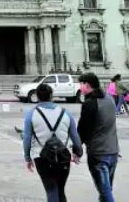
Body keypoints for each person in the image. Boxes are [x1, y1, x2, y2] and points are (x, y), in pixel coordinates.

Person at [23, 84, 83, 202]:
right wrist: (78, 152)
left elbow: (27, 138)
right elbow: (75, 136)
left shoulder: (31, 114)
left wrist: (27, 157)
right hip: (63, 155)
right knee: (60, 189)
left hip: (41, 156)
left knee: (51, 189)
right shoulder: (65, 113)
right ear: (51, 95)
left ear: (37, 96)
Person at [77, 72, 119, 202]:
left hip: (98, 154)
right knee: (106, 189)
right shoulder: (109, 98)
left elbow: (83, 129)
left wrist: (76, 150)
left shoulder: (90, 103)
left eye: (81, 84)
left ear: (87, 85)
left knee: (105, 192)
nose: (79, 88)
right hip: (113, 151)